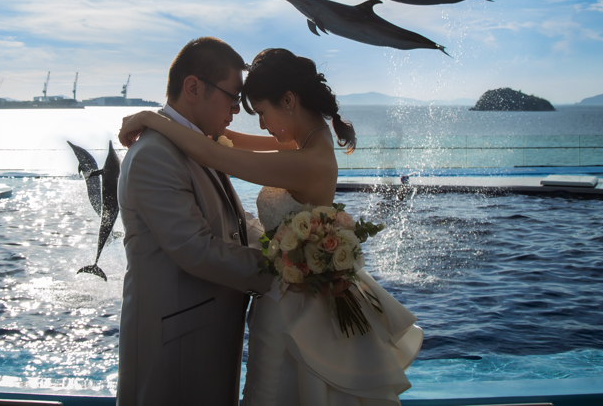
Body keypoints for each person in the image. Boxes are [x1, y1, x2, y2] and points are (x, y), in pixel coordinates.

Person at [119, 48, 423, 406]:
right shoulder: (307, 142)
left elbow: (214, 154)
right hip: (280, 302)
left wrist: (151, 119)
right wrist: (165, 122)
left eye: (260, 112)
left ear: (289, 101)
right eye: (235, 101)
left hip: (289, 305)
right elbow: (219, 144)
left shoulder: (306, 161)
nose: (256, 122)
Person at [115, 37, 278, 406]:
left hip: (204, 336)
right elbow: (196, 249)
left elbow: (237, 220)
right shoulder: (154, 155)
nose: (237, 110)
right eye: (233, 97)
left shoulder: (196, 143)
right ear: (193, 87)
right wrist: (281, 270)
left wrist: (280, 242)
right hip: (174, 347)